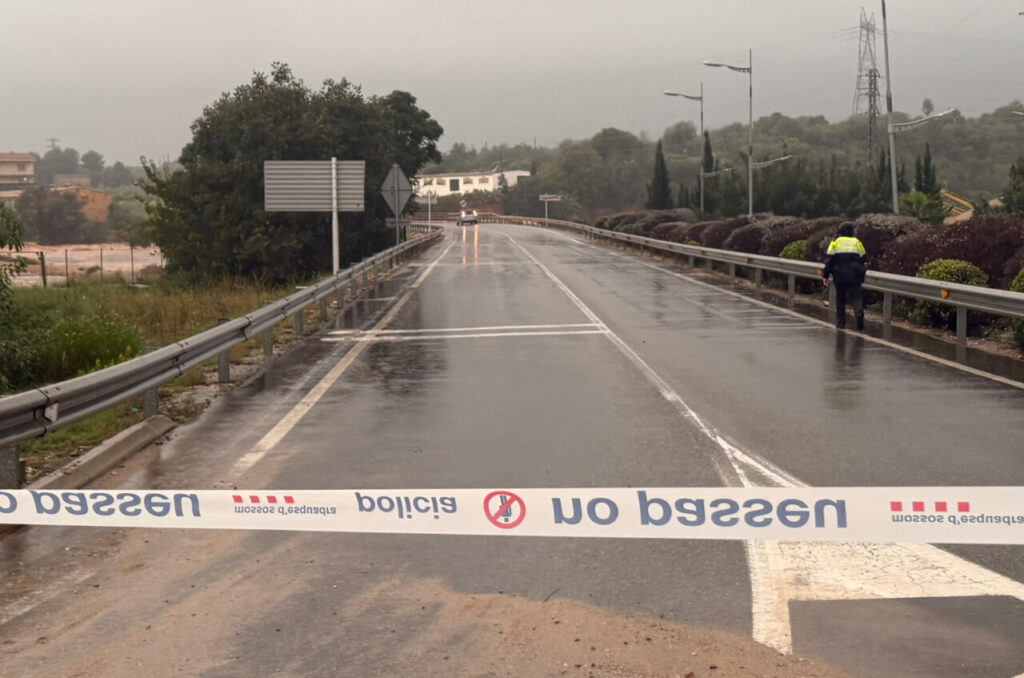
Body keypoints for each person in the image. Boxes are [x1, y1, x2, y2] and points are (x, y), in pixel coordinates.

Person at [822, 222, 867, 331]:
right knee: (856, 298)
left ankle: (840, 323)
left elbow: (829, 261)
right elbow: (864, 257)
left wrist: (825, 276)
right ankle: (859, 317)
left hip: (839, 275)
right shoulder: (856, 242)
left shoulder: (835, 242)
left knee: (840, 299)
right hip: (854, 275)